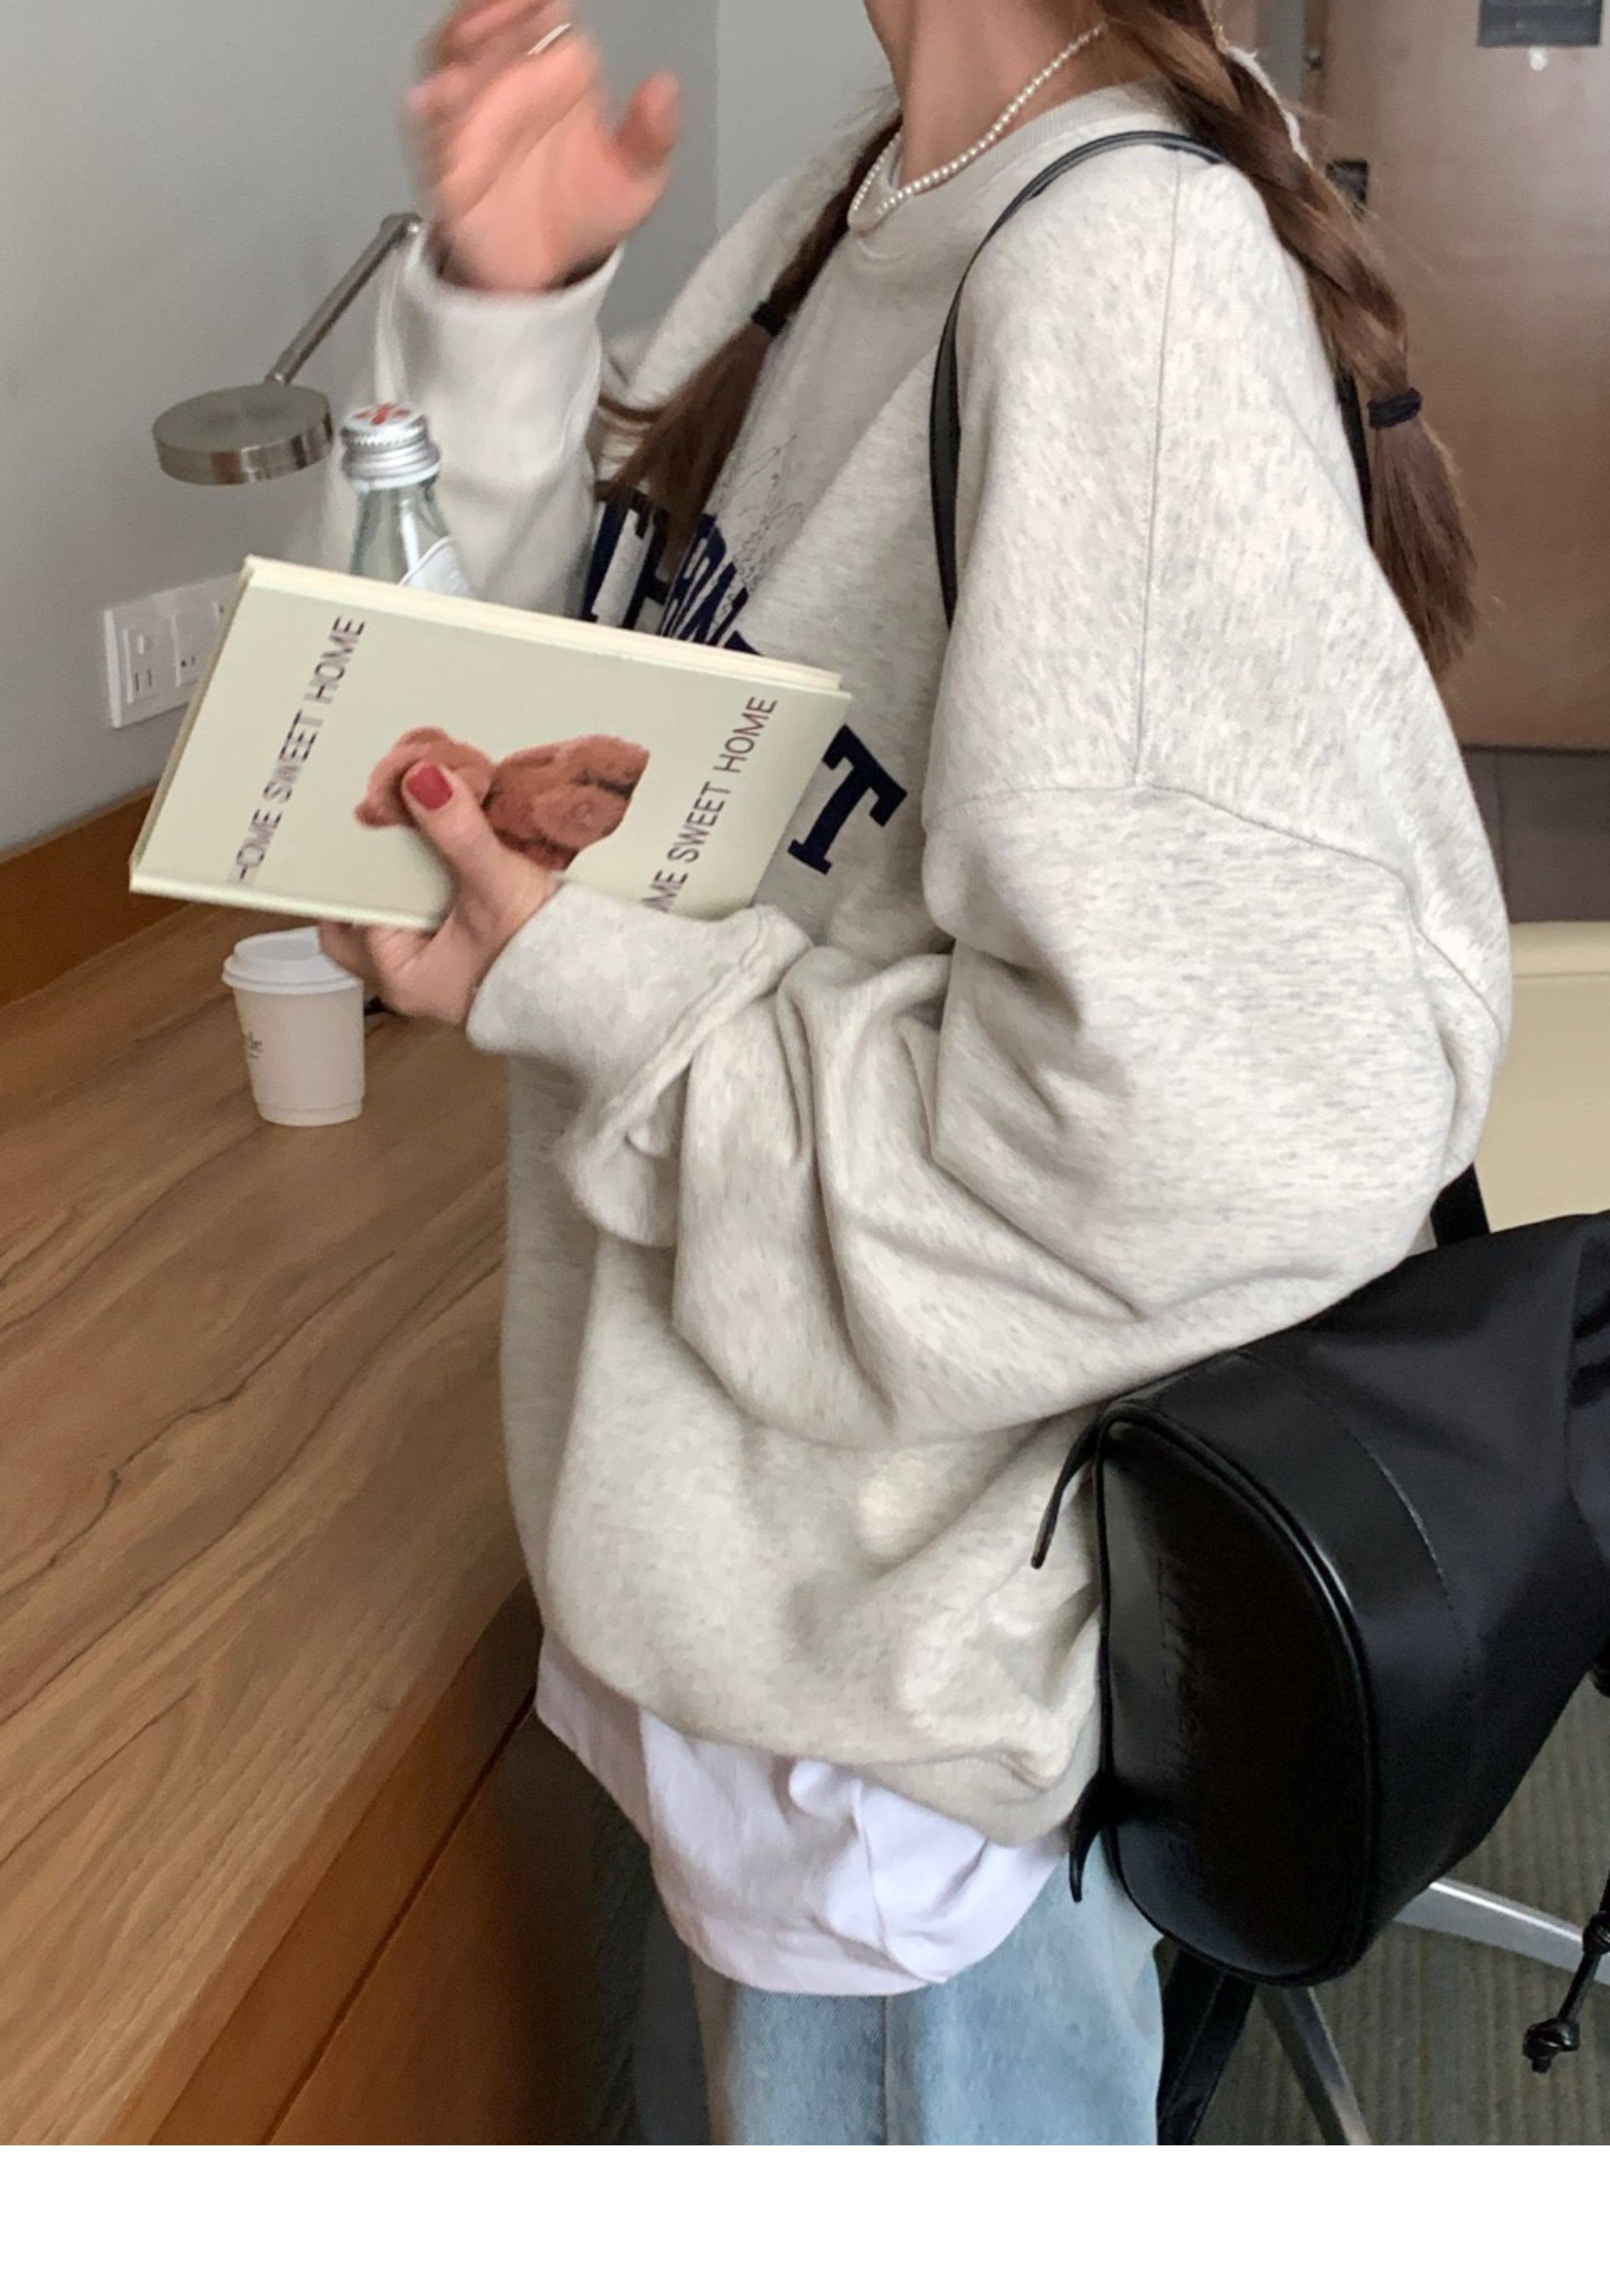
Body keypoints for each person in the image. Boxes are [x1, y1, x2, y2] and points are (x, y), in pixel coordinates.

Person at [315, 0, 1510, 2145]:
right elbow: (557, 734)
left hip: (892, 1742)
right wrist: (510, 310)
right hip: (760, 1626)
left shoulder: (1120, 276)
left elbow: (1230, 1131)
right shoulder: (855, 207)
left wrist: (611, 997)